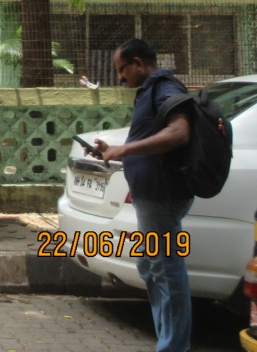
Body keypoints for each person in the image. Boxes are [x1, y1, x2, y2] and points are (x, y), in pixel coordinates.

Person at [92, 38, 192, 352]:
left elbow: (179, 132)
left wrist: (127, 148)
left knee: (164, 266)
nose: (120, 77)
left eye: (122, 70)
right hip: (150, 193)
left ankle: (174, 346)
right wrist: (114, 152)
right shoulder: (149, 92)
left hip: (162, 194)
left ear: (137, 63)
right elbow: (151, 143)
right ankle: (169, 340)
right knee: (150, 265)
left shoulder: (165, 87)